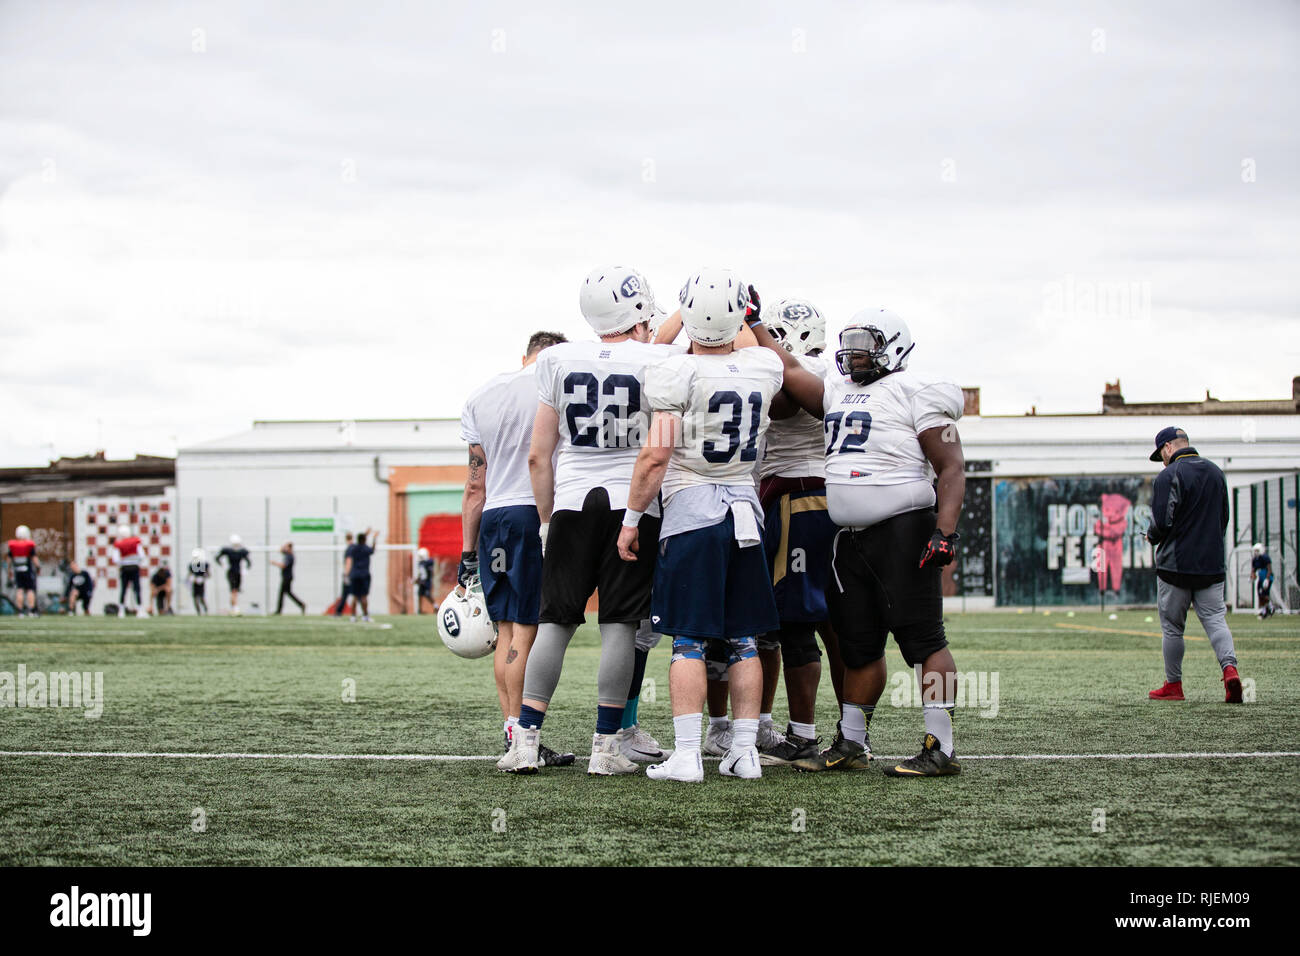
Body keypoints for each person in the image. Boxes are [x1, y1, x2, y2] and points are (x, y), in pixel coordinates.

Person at [756, 306, 968, 777]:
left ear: (894, 347)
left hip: (903, 529)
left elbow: (951, 466)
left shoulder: (917, 389)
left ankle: (941, 747)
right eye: (849, 343)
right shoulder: (836, 389)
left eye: (866, 344)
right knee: (858, 643)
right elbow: (788, 368)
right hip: (849, 538)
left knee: (924, 640)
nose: (853, 353)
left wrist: (945, 531)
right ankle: (851, 742)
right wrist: (754, 323)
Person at [503, 266, 679, 776]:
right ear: (637, 311)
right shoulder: (660, 359)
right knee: (619, 624)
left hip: (572, 502)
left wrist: (545, 520)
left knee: (555, 621)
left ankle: (525, 741)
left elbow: (539, 455)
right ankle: (605, 748)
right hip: (632, 504)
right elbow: (662, 441)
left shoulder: (556, 359)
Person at [618, 268, 785, 783]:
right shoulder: (764, 366)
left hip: (693, 512)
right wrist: (736, 311)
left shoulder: (674, 370)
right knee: (744, 640)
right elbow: (743, 345)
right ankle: (744, 752)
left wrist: (631, 519)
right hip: (745, 513)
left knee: (688, 640)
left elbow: (655, 455)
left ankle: (688, 755)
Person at [460, 330, 577, 770]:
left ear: (525, 355)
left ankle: (513, 733)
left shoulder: (482, 394)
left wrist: (467, 553)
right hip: (533, 513)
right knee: (527, 629)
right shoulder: (555, 386)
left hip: (493, 518)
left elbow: (475, 485)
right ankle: (525, 740)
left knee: (506, 630)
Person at [753, 298, 845, 765]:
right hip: (836, 499)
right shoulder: (838, 372)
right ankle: (852, 735)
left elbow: (785, 405)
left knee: (796, 622)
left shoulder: (802, 371)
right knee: (837, 624)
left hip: (799, 497)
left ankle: (804, 736)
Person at [1145, 427, 1243, 703]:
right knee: (1215, 620)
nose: (1162, 462)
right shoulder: (1216, 473)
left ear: (1167, 447)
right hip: (1210, 564)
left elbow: (1161, 522)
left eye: (1161, 455)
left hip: (1175, 567)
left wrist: (1151, 536)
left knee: (1173, 628)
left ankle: (1174, 686)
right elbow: (1223, 518)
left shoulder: (1168, 475)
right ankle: (1230, 671)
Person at [344, 530, 380, 622]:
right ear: (365, 540)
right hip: (364, 575)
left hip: (355, 575)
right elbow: (373, 549)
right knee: (364, 596)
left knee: (355, 596)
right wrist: (374, 538)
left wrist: (346, 575)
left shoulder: (354, 549)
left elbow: (358, 542)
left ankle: (353, 616)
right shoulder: (366, 548)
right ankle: (365, 616)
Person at [112, 524, 145, 618]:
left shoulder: (119, 544)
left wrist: (123, 562)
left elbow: (115, 559)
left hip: (124, 568)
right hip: (134, 568)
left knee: (123, 589)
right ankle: (140, 610)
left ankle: (121, 611)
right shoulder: (135, 542)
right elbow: (142, 555)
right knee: (137, 589)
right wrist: (135, 561)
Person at [6, 525, 39, 617]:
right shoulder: (28, 545)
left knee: (19, 590)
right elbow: (34, 558)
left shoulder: (13, 546)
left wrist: (9, 570)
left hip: (17, 570)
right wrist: (38, 567)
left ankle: (20, 611)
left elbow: (9, 559)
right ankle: (31, 610)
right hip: (27, 570)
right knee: (30, 590)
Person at [216, 534, 251, 616]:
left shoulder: (242, 551)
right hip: (231, 572)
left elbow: (249, 562)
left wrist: (245, 569)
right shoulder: (228, 551)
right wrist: (223, 565)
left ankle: (233, 608)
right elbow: (217, 558)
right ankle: (235, 609)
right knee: (234, 591)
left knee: (236, 591)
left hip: (238, 573)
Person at [272, 542, 306, 614]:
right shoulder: (287, 555)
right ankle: (301, 605)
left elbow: (283, 565)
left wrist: (274, 563)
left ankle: (279, 610)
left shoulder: (289, 556)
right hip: (286, 577)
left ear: (290, 548)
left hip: (287, 577)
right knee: (288, 593)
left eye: (286, 547)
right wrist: (283, 547)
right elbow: (280, 550)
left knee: (282, 593)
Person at [332, 531, 357, 617]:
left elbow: (349, 562)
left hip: (350, 575)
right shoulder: (355, 547)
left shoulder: (349, 549)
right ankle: (364, 612)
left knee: (345, 594)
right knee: (357, 595)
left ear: (346, 539)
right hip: (356, 574)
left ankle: (338, 612)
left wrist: (346, 574)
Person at [1252, 543, 1279, 619]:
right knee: (1260, 595)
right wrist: (1252, 576)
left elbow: (1269, 569)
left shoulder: (1265, 557)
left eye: (1257, 550)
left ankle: (1271, 607)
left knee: (1264, 594)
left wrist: (1267, 579)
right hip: (1261, 578)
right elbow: (1253, 570)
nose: (1256, 552)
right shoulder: (1255, 559)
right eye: (1255, 550)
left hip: (1267, 578)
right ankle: (1264, 610)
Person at [187, 548, 211, 615]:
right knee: (195, 598)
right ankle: (198, 612)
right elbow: (190, 574)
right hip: (194, 583)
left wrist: (203, 578)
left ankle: (206, 610)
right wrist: (192, 579)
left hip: (201, 583)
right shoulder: (192, 565)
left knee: (201, 598)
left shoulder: (204, 564)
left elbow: (208, 574)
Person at [413, 547, 435, 614]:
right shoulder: (420, 563)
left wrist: (423, 580)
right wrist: (418, 579)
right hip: (422, 582)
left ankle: (436, 607)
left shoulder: (428, 563)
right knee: (419, 594)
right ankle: (420, 610)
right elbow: (421, 573)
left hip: (426, 582)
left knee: (427, 595)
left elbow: (428, 574)